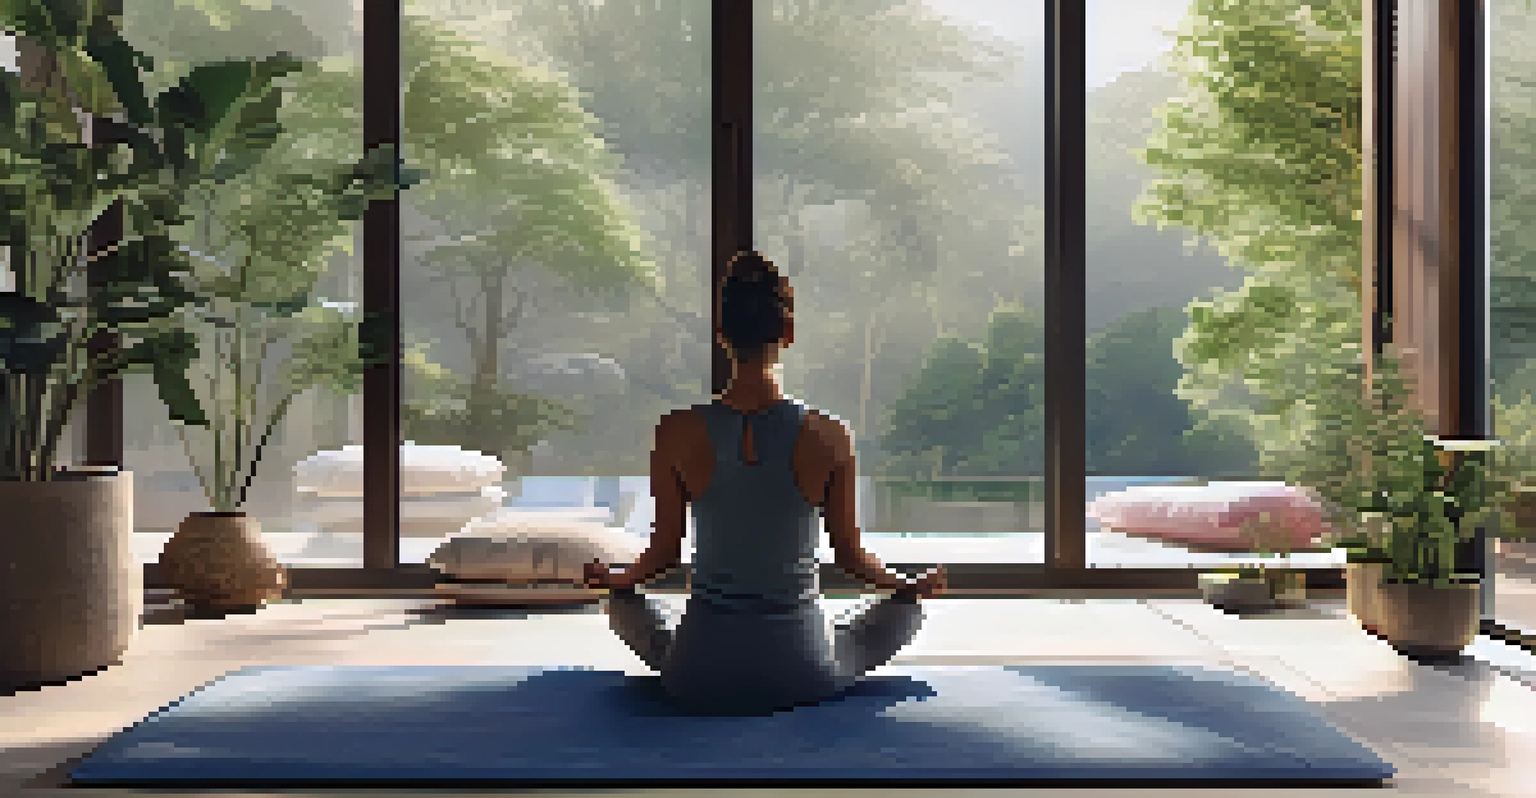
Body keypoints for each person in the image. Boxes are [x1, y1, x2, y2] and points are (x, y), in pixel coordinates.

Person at [582, 250, 945, 715]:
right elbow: (852, 559)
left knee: (624, 604)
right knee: (902, 613)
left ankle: (677, 636)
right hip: (802, 672)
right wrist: (908, 585)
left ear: (722, 337)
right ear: (788, 335)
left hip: (697, 675)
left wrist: (614, 580)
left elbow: (663, 554)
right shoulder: (830, 434)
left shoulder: (675, 431)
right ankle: (856, 626)